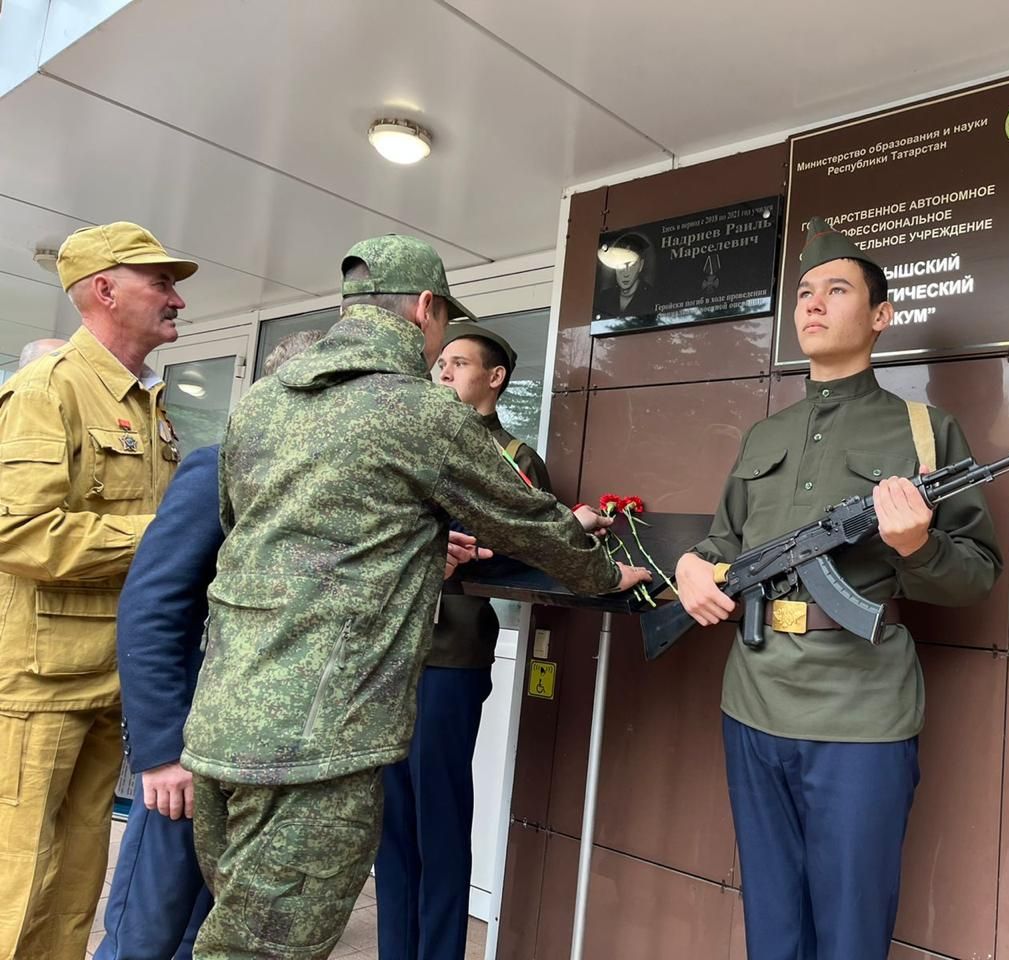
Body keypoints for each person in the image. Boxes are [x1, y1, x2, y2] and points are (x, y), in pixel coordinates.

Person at [180, 234, 650, 959]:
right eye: (443, 335)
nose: (441, 353)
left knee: (236, 921)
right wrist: (602, 575)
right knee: (260, 949)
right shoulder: (418, 413)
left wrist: (419, 548)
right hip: (322, 737)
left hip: (223, 722)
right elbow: (530, 522)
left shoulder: (260, 406)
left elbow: (257, 538)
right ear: (427, 309)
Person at [675, 218, 1002, 960]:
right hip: (753, 700)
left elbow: (978, 572)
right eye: (804, 293)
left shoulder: (926, 432)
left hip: (862, 714)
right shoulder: (766, 436)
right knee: (772, 922)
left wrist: (917, 547)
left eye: (837, 290)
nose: (813, 305)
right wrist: (693, 566)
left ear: (880, 317)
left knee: (850, 932)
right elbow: (722, 541)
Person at [0, 221, 197, 959]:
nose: (176, 299)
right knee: (18, 884)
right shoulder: (47, 390)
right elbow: (18, 532)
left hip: (108, 681)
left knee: (76, 884)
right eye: (161, 283)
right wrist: (165, 536)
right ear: (105, 290)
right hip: (39, 684)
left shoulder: (148, 405)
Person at [94, 330, 323, 960]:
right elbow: (153, 610)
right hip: (193, 750)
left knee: (211, 930)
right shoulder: (219, 468)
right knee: (147, 930)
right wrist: (162, 751)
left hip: (280, 753)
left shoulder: (337, 490)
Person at [375, 322, 598, 960]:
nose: (443, 372)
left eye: (459, 363)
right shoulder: (414, 443)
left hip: (450, 651)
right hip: (391, 649)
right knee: (393, 823)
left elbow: (533, 546)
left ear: (495, 378)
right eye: (439, 362)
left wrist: (485, 546)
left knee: (438, 818)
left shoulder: (515, 458)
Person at [598, 232, 657, 319]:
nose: (626, 273)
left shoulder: (652, 298)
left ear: (640, 265)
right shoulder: (605, 298)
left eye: (632, 265)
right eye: (620, 265)